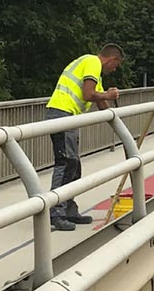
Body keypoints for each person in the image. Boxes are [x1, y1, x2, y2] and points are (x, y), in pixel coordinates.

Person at [45, 44, 124, 231]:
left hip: (67, 116)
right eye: (116, 65)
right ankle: (56, 212)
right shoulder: (92, 63)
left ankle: (69, 209)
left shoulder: (93, 70)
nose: (114, 70)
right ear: (111, 59)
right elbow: (88, 94)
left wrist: (115, 119)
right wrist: (109, 94)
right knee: (66, 163)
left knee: (74, 165)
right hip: (61, 114)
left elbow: (101, 102)